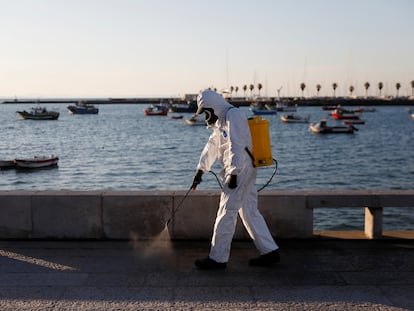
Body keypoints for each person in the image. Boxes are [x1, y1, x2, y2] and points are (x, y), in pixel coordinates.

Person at [191, 89, 280, 270]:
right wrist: (201, 170)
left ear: (212, 107)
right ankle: (270, 252)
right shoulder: (222, 121)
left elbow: (236, 145)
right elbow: (212, 146)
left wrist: (233, 173)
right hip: (241, 170)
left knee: (226, 211)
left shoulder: (234, 115)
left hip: (240, 171)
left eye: (206, 112)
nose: (206, 117)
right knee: (248, 211)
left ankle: (217, 259)